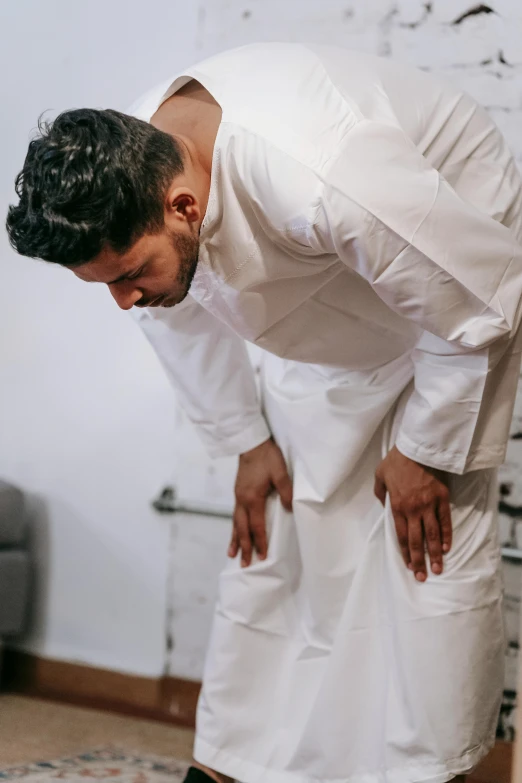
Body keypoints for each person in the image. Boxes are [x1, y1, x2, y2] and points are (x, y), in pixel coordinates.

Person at [7, 42, 522, 783]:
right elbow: (173, 313)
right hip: (323, 304)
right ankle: (229, 766)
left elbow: (479, 298)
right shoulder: (133, 172)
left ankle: (424, 770)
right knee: (278, 544)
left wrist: (428, 450)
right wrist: (247, 439)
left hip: (447, 276)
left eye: (125, 276)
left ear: (183, 206)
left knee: (422, 564)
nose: (123, 301)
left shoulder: (317, 167)